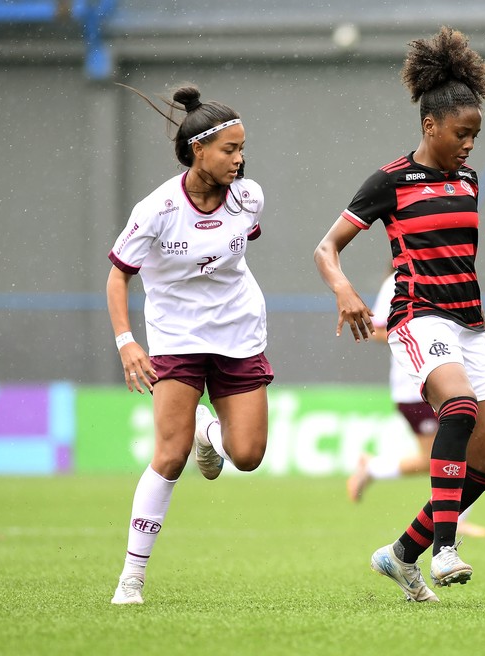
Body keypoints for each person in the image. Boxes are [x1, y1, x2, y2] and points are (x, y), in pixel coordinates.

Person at [314, 27, 485, 603]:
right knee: (460, 407)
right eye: (461, 133)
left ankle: (400, 555)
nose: (469, 144)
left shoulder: (468, 181)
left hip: (470, 322)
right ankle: (445, 548)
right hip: (418, 317)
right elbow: (326, 248)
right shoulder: (391, 181)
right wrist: (346, 291)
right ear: (430, 126)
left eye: (475, 134)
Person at [106, 84, 272, 605]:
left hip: (240, 331)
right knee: (171, 455)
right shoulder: (156, 209)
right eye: (230, 149)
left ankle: (209, 428)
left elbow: (233, 256)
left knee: (247, 455)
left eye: (243, 149)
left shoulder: (249, 196)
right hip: (176, 336)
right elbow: (117, 278)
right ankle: (131, 579)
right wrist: (127, 341)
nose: (239, 160)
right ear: (197, 149)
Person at [348, 271, 485, 539]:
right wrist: (419, 332)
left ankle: (454, 517)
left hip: (451, 383)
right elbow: (376, 330)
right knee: (442, 458)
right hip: (416, 387)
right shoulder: (396, 281)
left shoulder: (452, 274)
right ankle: (375, 468)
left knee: (472, 453)